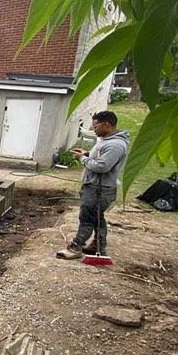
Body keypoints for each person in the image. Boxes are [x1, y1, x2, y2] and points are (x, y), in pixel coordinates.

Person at [56, 110, 130, 259]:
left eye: (96, 127)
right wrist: (88, 154)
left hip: (99, 190)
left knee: (87, 218)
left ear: (107, 125)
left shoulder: (115, 145)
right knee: (97, 217)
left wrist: (82, 158)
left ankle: (76, 248)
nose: (94, 129)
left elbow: (102, 167)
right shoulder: (107, 140)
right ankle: (99, 246)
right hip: (95, 187)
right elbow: (101, 158)